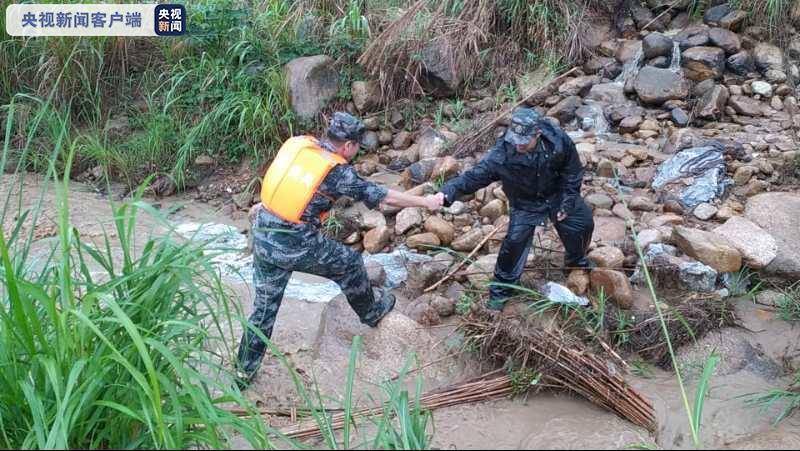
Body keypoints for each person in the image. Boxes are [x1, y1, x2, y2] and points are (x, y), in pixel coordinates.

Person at [236, 112, 444, 388]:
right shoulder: (336, 172)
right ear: (348, 146)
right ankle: (372, 312)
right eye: (357, 147)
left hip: (263, 231)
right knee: (350, 263)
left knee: (263, 311)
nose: (357, 152)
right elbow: (383, 198)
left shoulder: (299, 144)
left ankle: (243, 374)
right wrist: (427, 203)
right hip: (294, 240)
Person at [439, 107, 594, 311]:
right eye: (515, 139)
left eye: (523, 141)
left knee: (583, 224)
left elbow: (572, 172)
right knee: (514, 244)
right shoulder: (502, 154)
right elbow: (474, 176)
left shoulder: (558, 140)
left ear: (538, 134)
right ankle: (499, 294)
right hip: (524, 202)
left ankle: (575, 259)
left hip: (557, 194)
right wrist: (448, 192)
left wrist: (568, 199)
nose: (517, 145)